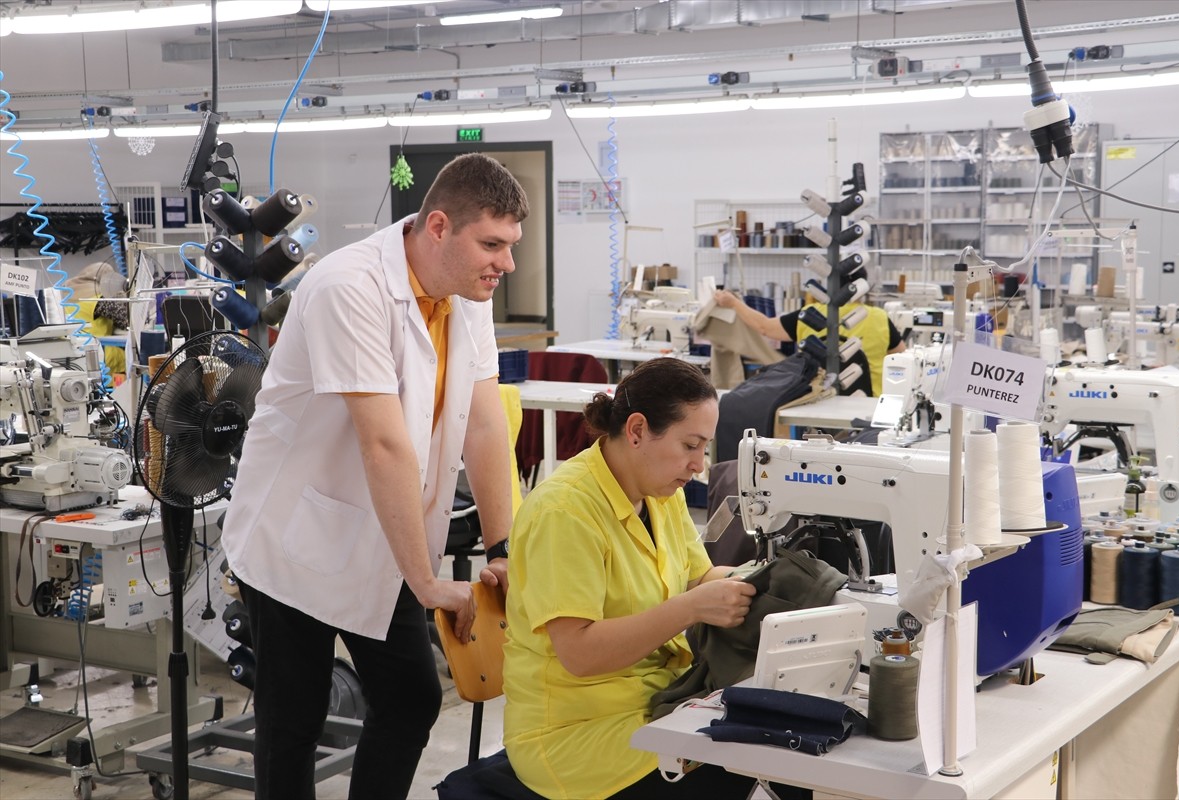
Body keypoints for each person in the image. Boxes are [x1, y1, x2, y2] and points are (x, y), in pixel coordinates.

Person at [221, 153, 528, 800]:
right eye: (493, 244)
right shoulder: (349, 286)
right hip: (294, 538)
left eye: (511, 246)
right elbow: (383, 444)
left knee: (412, 699)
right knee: (293, 722)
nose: (507, 263)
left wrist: (504, 550)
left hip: (381, 536)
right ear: (439, 226)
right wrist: (426, 584)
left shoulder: (464, 295)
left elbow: (483, 424)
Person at [502, 358, 769, 800]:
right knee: (751, 774)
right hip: (576, 733)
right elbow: (580, 654)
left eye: (704, 448)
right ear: (638, 430)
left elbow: (698, 576)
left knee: (779, 751)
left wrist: (765, 581)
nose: (700, 465)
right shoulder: (565, 513)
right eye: (690, 445)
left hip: (658, 698)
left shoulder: (659, 492)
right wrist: (693, 607)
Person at [713, 289, 906, 396]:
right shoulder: (879, 317)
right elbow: (901, 358)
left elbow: (764, 327)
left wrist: (733, 303)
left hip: (816, 400)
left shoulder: (809, 314)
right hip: (869, 404)